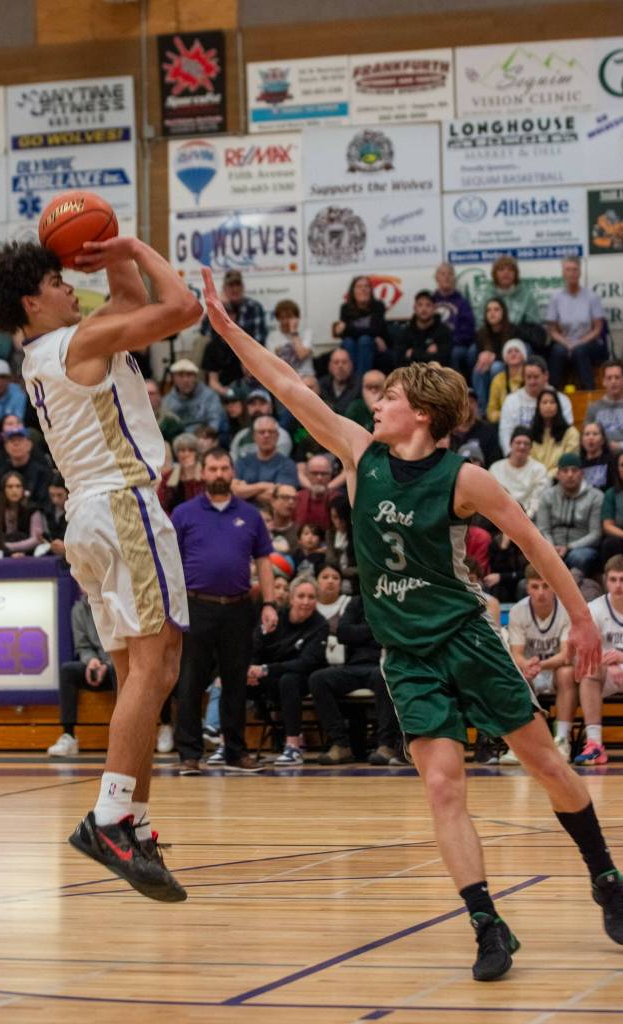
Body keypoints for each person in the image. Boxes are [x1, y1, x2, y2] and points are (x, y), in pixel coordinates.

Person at [202, 263, 622, 980]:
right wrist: (231, 330)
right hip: (409, 653)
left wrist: (583, 620)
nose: (376, 402)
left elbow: (533, 543)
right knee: (440, 785)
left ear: (419, 413)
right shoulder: (358, 455)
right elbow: (289, 386)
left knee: (546, 763)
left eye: (388, 395)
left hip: (466, 640)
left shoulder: (464, 478)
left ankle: (606, 877)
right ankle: (487, 924)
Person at [0, 234, 202, 901]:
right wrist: (131, 242)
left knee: (142, 672)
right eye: (57, 281)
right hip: (124, 504)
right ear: (30, 301)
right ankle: (109, 818)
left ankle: (131, 819)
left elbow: (130, 298)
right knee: (159, 663)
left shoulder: (50, 349)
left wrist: (112, 259)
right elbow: (181, 308)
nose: (71, 286)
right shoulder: (76, 345)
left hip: (90, 517)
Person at [171, 447, 277, 774]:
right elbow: (169, 562)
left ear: (233, 472)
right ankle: (189, 755)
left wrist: (270, 603)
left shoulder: (251, 515)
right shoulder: (184, 513)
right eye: (213, 468)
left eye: (224, 468)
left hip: (238, 607)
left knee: (235, 682)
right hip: (195, 607)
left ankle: (235, 752)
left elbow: (263, 561)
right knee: (189, 682)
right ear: (203, 473)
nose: (219, 474)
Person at [311, 592, 404, 766]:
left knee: (383, 676)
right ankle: (340, 744)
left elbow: (397, 631)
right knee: (319, 679)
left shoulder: (395, 598)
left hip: (383, 664)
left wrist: (361, 633)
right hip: (354, 665)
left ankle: (387, 744)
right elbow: (343, 632)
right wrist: (376, 628)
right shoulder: (357, 601)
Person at [247, 574, 328, 766]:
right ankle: (229, 745)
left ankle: (293, 746)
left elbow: (306, 662)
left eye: (311, 597)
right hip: (272, 675)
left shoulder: (320, 625)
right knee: (234, 679)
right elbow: (256, 646)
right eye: (301, 596)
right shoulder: (276, 618)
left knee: (289, 680)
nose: (306, 601)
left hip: (304, 678)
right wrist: (251, 670)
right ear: (291, 598)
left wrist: (265, 669)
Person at [508, 564, 576, 762]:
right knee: (516, 674)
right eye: (535, 586)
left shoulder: (565, 610)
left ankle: (562, 739)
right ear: (527, 587)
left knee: (566, 673)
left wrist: (539, 666)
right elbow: (517, 654)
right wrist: (527, 666)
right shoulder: (518, 611)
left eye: (546, 586)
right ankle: (520, 746)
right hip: (530, 670)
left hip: (554, 669)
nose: (540, 592)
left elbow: (566, 655)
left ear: (554, 587)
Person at [47, 592, 117, 758]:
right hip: (95, 666)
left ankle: (125, 734)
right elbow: (83, 646)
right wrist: (91, 661)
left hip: (118, 665)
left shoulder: (116, 604)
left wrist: (108, 664)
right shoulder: (79, 609)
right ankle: (69, 736)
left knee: (120, 673)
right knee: (68, 671)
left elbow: (127, 645)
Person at [574, 555, 623, 765]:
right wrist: (607, 663)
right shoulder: (594, 609)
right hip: (605, 673)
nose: (618, 585)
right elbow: (583, 651)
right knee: (589, 668)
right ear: (605, 580)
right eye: (613, 580)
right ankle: (594, 745)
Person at [536, 453, 604, 579]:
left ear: (582, 473)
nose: (570, 475)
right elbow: (542, 529)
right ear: (558, 474)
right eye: (565, 470)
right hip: (551, 545)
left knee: (580, 557)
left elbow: (596, 534)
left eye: (574, 470)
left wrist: (568, 547)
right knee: (536, 554)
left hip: (581, 547)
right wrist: (552, 547)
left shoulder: (596, 496)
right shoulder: (547, 496)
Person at [201, 269, 267, 395]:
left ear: (243, 287)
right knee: (202, 344)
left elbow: (259, 340)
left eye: (237, 285)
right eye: (231, 285)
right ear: (224, 288)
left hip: (247, 355)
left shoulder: (254, 307)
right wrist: (215, 306)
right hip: (221, 354)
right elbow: (204, 332)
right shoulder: (220, 306)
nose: (234, 289)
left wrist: (249, 358)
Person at [547, 258, 607, 390]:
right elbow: (552, 330)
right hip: (565, 341)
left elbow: (598, 328)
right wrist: (566, 343)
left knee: (579, 351)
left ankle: (589, 392)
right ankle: (551, 393)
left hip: (588, 342)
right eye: (568, 270)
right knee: (557, 351)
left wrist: (578, 343)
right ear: (563, 273)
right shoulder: (556, 298)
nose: (572, 273)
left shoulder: (592, 297)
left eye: (575, 270)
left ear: (580, 273)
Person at [499, 356, 573, 456]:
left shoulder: (561, 400)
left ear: (546, 375)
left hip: (554, 455)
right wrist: (511, 456)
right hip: (521, 457)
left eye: (536, 377)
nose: (532, 382)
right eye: (528, 377)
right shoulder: (511, 401)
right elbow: (505, 432)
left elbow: (567, 432)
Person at [332, 275, 389, 378]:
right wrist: (369, 333)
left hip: (371, 346)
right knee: (348, 342)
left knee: (364, 340)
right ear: (353, 291)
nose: (363, 289)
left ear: (370, 290)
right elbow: (343, 335)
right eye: (359, 287)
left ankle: (361, 382)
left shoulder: (378, 306)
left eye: (366, 286)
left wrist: (348, 328)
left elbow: (376, 330)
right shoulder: (345, 308)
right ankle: (351, 381)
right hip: (353, 345)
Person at [489, 426, 550, 521]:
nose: (522, 447)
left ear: (531, 447)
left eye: (526, 444)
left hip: (528, 519)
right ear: (510, 444)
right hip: (497, 520)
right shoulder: (495, 468)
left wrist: (522, 521)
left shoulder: (540, 469)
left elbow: (537, 501)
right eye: (518, 443)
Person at [0, 425, 51, 509]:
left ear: (29, 445)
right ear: (6, 447)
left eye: (20, 440)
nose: (16, 444)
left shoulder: (41, 473)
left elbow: (44, 503)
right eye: (12, 441)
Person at [233, 416, 298, 501]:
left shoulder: (287, 465)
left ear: (277, 436)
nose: (266, 435)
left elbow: (282, 497)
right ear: (254, 436)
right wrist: (264, 486)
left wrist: (246, 491)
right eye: (261, 432)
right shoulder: (243, 462)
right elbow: (235, 491)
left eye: (271, 432)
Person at [471, 299, 519, 413]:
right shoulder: (481, 333)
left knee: (496, 367)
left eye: (496, 310)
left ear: (504, 312)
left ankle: (498, 406)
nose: (492, 313)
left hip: (509, 368)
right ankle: (481, 410)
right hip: (488, 369)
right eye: (489, 310)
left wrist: (494, 358)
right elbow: (481, 356)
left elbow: (514, 356)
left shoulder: (513, 330)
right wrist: (483, 358)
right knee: (478, 369)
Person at [433, 262, 476, 378]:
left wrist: (447, 344)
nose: (446, 277)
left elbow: (468, 331)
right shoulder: (429, 301)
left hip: (456, 345)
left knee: (454, 353)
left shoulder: (462, 303)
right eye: (443, 274)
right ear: (436, 278)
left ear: (454, 278)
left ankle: (456, 389)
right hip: (434, 343)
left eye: (450, 274)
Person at [0, 471, 45, 557]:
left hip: (29, 555)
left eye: (18, 486)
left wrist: (8, 547)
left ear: (23, 489)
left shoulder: (33, 510)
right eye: (10, 487)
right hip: (3, 555)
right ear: (4, 490)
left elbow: (36, 539)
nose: (14, 490)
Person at [160, 358, 223, 433]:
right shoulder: (167, 401)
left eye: (189, 375)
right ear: (174, 378)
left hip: (204, 437)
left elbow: (215, 422)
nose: (185, 380)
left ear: (196, 377)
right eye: (180, 375)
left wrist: (206, 435)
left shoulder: (210, 396)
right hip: (178, 440)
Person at [230, 387, 293, 461]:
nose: (257, 408)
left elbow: (276, 465)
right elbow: (234, 465)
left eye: (262, 403)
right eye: (253, 404)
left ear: (271, 407)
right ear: (247, 408)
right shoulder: (240, 436)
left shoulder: (281, 435)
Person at [393, 290, 452, 368]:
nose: (424, 309)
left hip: (436, 375)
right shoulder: (405, 332)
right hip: (410, 375)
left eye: (428, 305)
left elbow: (443, 360)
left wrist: (413, 353)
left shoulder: (443, 331)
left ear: (434, 308)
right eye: (420, 305)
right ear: (414, 308)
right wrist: (428, 354)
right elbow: (399, 360)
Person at [530, 388, 581, 478]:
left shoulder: (571, 433)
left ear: (558, 406)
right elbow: (529, 462)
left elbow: (569, 462)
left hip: (561, 480)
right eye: (544, 402)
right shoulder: (531, 433)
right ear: (538, 407)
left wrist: (547, 476)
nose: (548, 406)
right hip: (535, 480)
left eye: (552, 402)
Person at [477, 255, 540, 326]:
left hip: (519, 335)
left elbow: (535, 325)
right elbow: (480, 323)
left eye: (511, 270)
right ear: (494, 274)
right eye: (501, 269)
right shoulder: (488, 295)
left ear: (516, 274)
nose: (506, 273)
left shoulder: (526, 296)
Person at [450, 388, 502, 468]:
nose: (466, 405)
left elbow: (494, 462)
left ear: (477, 405)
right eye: (462, 402)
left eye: (471, 401)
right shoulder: (446, 432)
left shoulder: (488, 431)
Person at [157, 433, 204, 516]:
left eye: (191, 450)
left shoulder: (205, 474)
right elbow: (161, 506)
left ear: (197, 453)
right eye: (182, 450)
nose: (186, 454)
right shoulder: (167, 477)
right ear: (177, 454)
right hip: (175, 524)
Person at [265, 299, 314, 376]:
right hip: (283, 378)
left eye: (289, 317)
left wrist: (294, 332)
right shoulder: (272, 337)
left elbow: (302, 354)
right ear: (278, 319)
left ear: (297, 318)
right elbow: (272, 364)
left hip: (305, 377)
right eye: (282, 317)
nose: (285, 321)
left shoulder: (306, 333)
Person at [585, 360, 623, 454]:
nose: (613, 381)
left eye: (617, 377)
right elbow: (586, 438)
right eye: (609, 378)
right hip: (602, 457)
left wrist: (620, 446)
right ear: (603, 382)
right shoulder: (593, 409)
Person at [486, 339, 526, 425]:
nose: (513, 353)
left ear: (523, 356)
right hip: (505, 423)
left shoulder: (530, 377)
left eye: (517, 350)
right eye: (509, 351)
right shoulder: (498, 380)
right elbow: (491, 411)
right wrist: (506, 416)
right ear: (505, 358)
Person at [294, 453, 336, 531]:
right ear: (307, 475)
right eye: (314, 473)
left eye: (324, 474)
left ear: (330, 475)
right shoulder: (296, 498)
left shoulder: (337, 499)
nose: (319, 477)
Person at [319, 348, 361, 415]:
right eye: (336, 362)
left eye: (344, 362)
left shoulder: (360, 385)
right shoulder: (322, 384)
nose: (340, 366)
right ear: (330, 366)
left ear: (351, 365)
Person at [600, 452, 623, 563]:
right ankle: (613, 577)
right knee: (610, 543)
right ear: (617, 469)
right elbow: (607, 526)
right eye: (622, 465)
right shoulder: (612, 493)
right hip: (621, 536)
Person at [581, 421, 615, 492]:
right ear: (582, 441)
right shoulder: (578, 464)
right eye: (587, 434)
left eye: (595, 434)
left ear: (602, 440)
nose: (591, 437)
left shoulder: (612, 461)